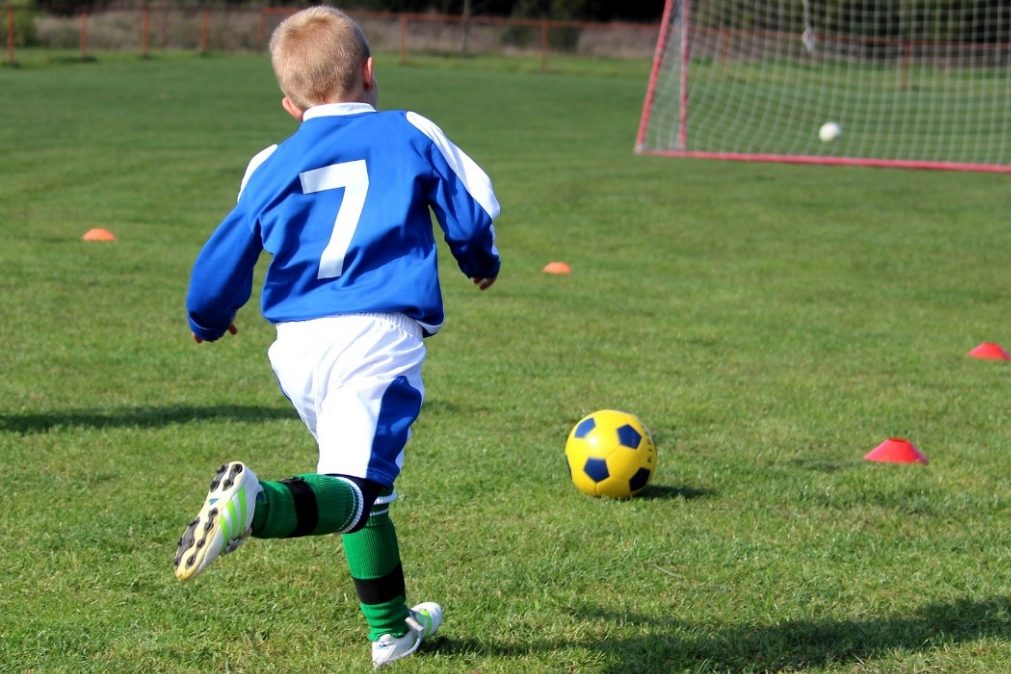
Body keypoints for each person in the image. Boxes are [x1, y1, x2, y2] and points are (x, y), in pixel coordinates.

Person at [173, 6, 500, 668]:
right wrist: (479, 262)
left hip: (294, 344)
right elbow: (468, 213)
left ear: (290, 103)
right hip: (375, 334)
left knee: (359, 482)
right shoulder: (407, 128)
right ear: (371, 73)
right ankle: (254, 506)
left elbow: (227, 249)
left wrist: (210, 315)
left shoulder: (270, 159)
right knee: (357, 487)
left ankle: (391, 630)